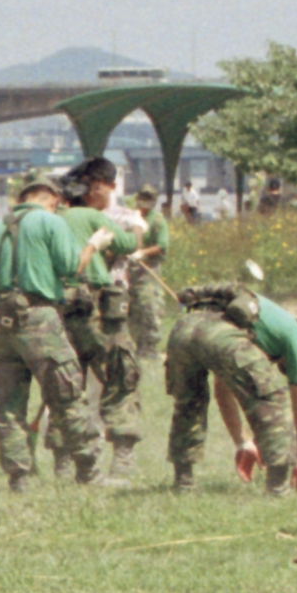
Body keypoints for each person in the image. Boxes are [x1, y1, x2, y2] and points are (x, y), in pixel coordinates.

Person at [0, 172, 109, 489]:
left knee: (8, 405)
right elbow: (71, 269)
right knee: (67, 396)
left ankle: (19, 477)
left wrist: (3, 301)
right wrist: (93, 245)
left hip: (1, 325)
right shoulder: (51, 223)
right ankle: (89, 471)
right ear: (53, 199)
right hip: (40, 318)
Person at [164, 266, 297, 494]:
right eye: (283, 367)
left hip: (183, 330)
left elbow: (222, 391)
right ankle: (278, 488)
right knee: (271, 398)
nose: (281, 369)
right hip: (216, 333)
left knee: (189, 404)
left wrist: (243, 443)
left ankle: (183, 482)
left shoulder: (259, 324)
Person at [68, 159, 167, 464]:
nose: (89, 192)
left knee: (118, 373)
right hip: (76, 302)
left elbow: (130, 245)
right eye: (86, 185)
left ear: (111, 186)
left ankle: (122, 447)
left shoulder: (127, 216)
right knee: (73, 377)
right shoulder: (70, 213)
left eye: (95, 186)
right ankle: (78, 443)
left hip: (111, 301)